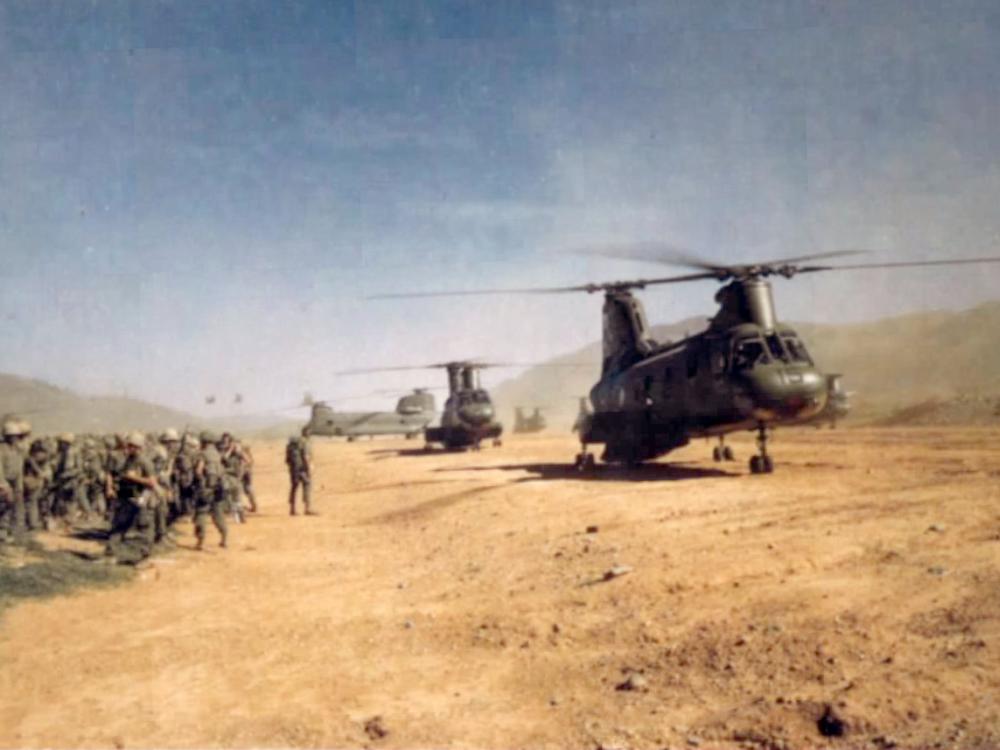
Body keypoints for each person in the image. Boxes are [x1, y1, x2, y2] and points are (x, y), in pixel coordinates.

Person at [105, 432, 159, 562]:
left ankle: (143, 557)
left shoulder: (145, 462)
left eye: (132, 446)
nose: (128, 448)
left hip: (142, 498)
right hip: (128, 497)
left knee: (144, 528)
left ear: (139, 448)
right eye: (128, 445)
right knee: (119, 524)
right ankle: (111, 552)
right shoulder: (128, 460)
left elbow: (152, 482)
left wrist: (133, 478)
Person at [193, 431, 228, 549]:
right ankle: (224, 539)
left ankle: (200, 542)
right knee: (218, 514)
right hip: (218, 489)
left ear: (204, 442)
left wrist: (200, 481)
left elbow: (198, 471)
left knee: (201, 514)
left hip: (206, 489)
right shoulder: (217, 454)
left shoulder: (202, 454)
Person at [0, 418, 27, 542]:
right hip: (3, 482)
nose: (16, 439)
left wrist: (19, 486)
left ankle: (4, 530)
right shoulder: (1, 449)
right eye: (13, 436)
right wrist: (3, 485)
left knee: (9, 507)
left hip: (13, 483)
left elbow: (19, 469)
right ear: (7, 436)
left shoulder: (18, 450)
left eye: (17, 436)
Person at [286, 426, 315, 516]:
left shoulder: (293, 443)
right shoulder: (305, 442)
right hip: (302, 468)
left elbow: (287, 459)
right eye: (310, 433)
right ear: (307, 433)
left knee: (294, 487)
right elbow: (306, 457)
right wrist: (309, 468)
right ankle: (307, 508)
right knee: (307, 484)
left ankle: (292, 509)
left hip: (293, 468)